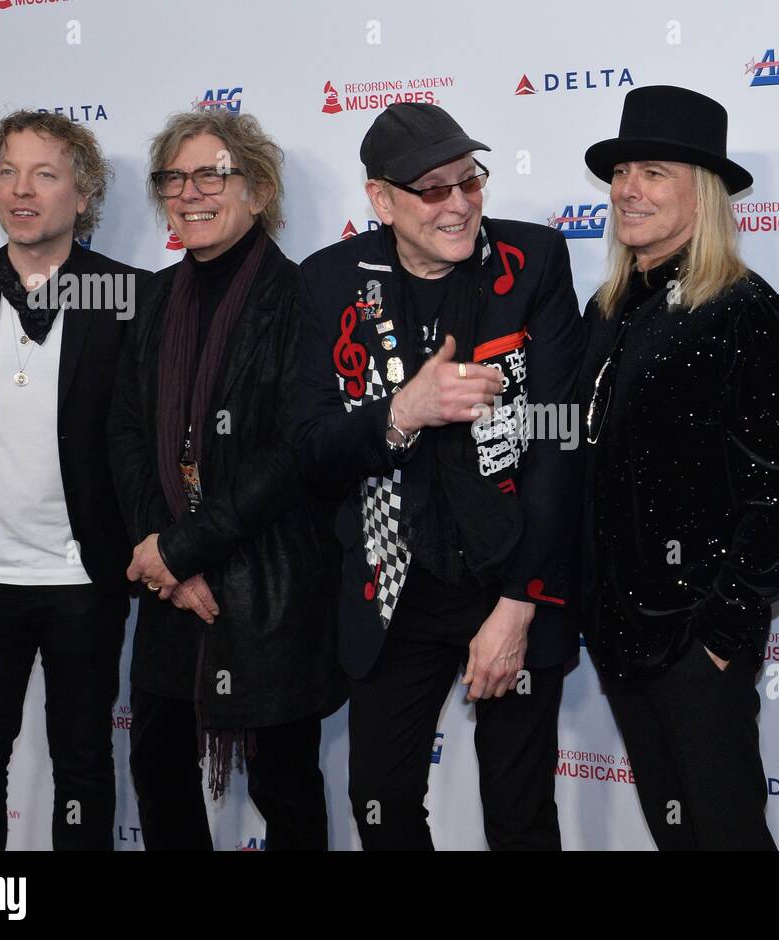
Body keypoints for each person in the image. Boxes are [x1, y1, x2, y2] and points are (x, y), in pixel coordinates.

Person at [298, 103, 584, 850]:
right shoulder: (328, 282)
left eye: (470, 181)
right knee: (381, 806)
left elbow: (560, 442)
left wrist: (519, 605)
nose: (459, 204)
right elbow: (310, 446)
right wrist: (403, 411)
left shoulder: (536, 261)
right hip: (396, 588)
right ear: (382, 200)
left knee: (520, 815)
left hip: (514, 572)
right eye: (432, 189)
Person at [576, 85, 779, 850]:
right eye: (621, 173)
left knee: (726, 834)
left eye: (653, 172)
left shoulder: (744, 310)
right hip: (618, 634)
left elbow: (774, 493)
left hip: (693, 643)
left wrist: (721, 632)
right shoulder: (609, 308)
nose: (627, 190)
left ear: (701, 193)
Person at [108, 110, 344, 850]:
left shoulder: (302, 296)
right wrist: (165, 554)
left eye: (212, 173)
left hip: (268, 583)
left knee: (284, 785)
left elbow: (290, 454)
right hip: (170, 588)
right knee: (157, 769)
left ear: (259, 188)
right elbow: (125, 433)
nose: (191, 192)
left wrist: (187, 549)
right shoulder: (152, 298)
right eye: (175, 178)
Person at [0, 109, 143, 850]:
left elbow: (130, 440)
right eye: (7, 172)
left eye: (44, 174)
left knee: (83, 766)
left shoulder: (128, 295)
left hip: (85, 580)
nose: (21, 190)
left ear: (83, 197)